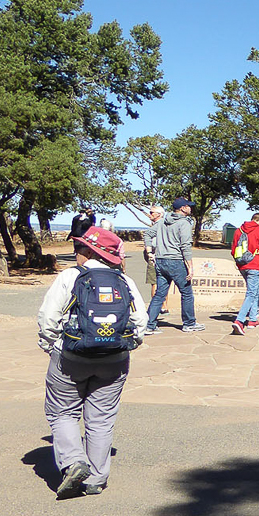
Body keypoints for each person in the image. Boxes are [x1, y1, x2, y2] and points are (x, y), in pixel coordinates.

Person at [36, 225, 146, 498]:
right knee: (101, 419)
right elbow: (140, 322)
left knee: (63, 412)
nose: (76, 254)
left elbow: (48, 319)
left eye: (79, 248)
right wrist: (127, 345)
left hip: (71, 356)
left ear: (89, 252)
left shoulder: (70, 277)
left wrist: (51, 346)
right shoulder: (125, 281)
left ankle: (74, 462)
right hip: (115, 359)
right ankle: (96, 479)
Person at [145, 198, 206, 334]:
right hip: (176, 261)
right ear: (183, 208)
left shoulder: (162, 221)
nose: (191, 208)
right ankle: (189, 323)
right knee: (187, 293)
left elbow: (148, 233)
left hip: (160, 261)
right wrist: (190, 266)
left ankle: (149, 325)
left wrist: (150, 252)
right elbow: (185, 246)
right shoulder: (183, 223)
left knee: (160, 294)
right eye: (189, 206)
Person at [230, 212, 259, 335]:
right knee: (251, 293)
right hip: (254, 264)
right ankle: (240, 320)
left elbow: (233, 249)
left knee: (253, 290)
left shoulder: (238, 230)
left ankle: (252, 320)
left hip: (242, 265)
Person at [141, 204, 171, 316]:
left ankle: (156, 308)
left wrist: (149, 252)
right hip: (166, 257)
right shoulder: (167, 225)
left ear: (159, 214)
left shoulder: (157, 226)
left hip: (155, 257)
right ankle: (165, 306)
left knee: (154, 283)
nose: (150, 215)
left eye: (151, 212)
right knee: (165, 283)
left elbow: (153, 242)